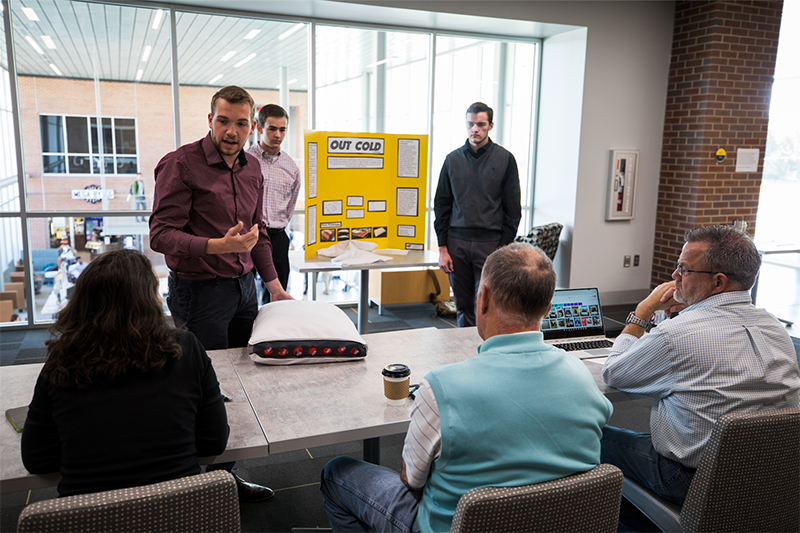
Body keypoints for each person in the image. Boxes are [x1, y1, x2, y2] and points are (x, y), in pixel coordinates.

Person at [319, 243, 613, 533]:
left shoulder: (440, 388)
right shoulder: (583, 377)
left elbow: (411, 479)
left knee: (337, 472)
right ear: (548, 309)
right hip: (559, 524)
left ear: (482, 298)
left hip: (449, 526)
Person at [150, 85, 292, 501]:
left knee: (242, 384)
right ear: (210, 119)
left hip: (244, 291)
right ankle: (189, 486)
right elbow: (159, 235)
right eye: (224, 120)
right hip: (198, 293)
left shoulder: (252, 169)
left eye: (241, 123)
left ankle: (222, 476)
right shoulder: (181, 164)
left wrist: (275, 288)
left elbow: (259, 233)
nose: (232, 131)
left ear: (253, 125)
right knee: (202, 388)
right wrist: (216, 246)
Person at [601, 225, 800, 511]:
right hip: (771, 477)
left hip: (690, 480)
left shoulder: (676, 335)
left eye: (684, 269)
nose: (674, 277)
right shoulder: (775, 328)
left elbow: (614, 372)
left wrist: (643, 311)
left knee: (589, 435)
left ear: (718, 282)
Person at [21, 249, 229, 497]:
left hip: (89, 519)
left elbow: (37, 460)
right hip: (180, 515)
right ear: (148, 300)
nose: (161, 299)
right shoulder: (186, 348)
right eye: (155, 290)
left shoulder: (63, 360)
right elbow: (213, 442)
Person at [434, 102, 521, 327]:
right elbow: (441, 205)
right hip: (456, 243)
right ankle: (464, 356)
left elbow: (513, 209)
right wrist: (442, 248)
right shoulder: (452, 160)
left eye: (481, 124)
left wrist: (503, 246)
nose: (475, 129)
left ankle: (484, 353)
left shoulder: (505, 159)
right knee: (462, 305)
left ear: (490, 126)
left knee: (485, 304)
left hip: (490, 244)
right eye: (471, 124)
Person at [245, 104, 301, 303]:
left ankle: (274, 333)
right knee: (245, 294)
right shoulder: (244, 160)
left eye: (282, 129)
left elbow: (290, 205)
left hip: (277, 236)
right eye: (272, 128)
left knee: (278, 295)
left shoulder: (291, 167)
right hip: (248, 236)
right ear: (259, 128)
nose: (278, 134)